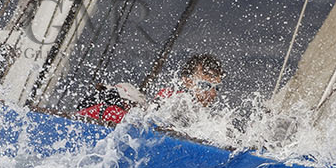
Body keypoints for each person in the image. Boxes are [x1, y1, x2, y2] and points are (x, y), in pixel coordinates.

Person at [77, 55, 225, 125]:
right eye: (205, 86)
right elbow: (153, 123)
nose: (212, 93)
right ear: (187, 81)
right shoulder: (175, 98)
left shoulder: (203, 116)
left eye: (216, 88)